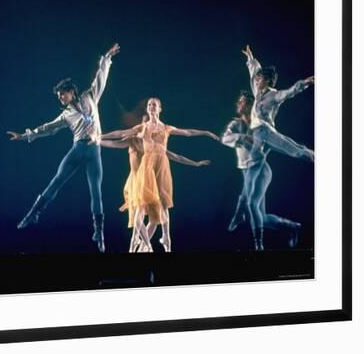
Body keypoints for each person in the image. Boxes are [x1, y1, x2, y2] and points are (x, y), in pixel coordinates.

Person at [7, 43, 120, 253]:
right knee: (56, 181)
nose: (60, 97)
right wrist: (24, 136)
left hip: (94, 150)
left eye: (62, 94)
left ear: (71, 92)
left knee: (96, 192)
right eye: (58, 95)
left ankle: (99, 233)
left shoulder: (89, 97)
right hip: (77, 149)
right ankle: (33, 214)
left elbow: (100, 78)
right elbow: (47, 128)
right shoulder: (66, 114)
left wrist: (106, 58)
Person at [104, 98, 219, 252]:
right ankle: (137, 244)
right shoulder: (142, 127)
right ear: (147, 109)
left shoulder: (166, 128)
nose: (151, 106)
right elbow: (121, 133)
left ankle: (164, 239)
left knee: (164, 203)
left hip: (162, 165)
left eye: (154, 105)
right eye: (149, 104)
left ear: (160, 109)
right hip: (148, 166)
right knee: (143, 205)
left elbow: (187, 133)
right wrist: (100, 137)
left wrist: (205, 133)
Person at [222, 91, 302, 251]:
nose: (239, 104)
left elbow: (276, 143)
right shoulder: (235, 125)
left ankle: (258, 245)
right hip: (247, 171)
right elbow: (224, 138)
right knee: (262, 218)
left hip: (260, 170)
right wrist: (243, 138)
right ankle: (292, 226)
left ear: (251, 106)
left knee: (252, 204)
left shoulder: (261, 127)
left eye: (242, 101)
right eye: (239, 101)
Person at [242, 45, 315, 162]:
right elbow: (254, 71)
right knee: (254, 160)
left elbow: (289, 92)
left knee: (289, 147)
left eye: (259, 79)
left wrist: (304, 83)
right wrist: (250, 58)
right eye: (257, 79)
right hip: (256, 132)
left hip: (265, 130)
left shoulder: (275, 96)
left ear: (267, 81)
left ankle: (310, 155)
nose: (256, 81)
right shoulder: (257, 91)